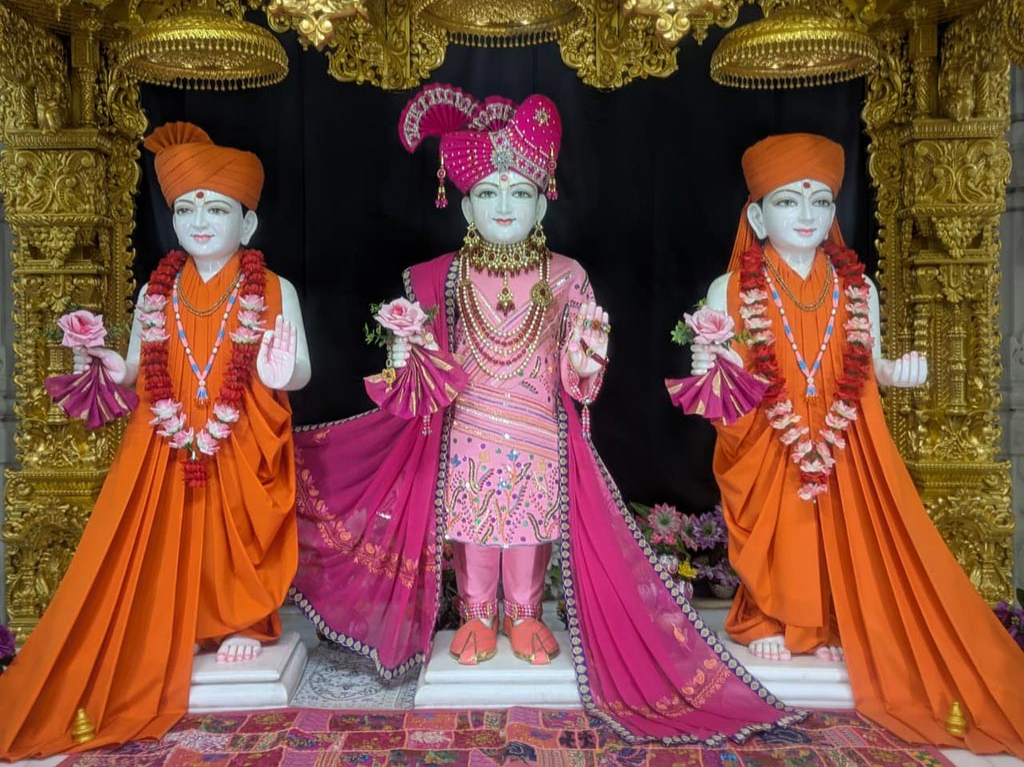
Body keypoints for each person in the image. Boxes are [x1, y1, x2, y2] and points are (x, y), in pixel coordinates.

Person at [291, 84, 803, 744]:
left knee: (530, 523)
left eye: (520, 192)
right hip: (465, 426)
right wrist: (402, 349)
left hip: (539, 429)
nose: (505, 205)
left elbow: (582, 380)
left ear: (542, 201)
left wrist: (589, 354)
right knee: (473, 521)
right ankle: (477, 616)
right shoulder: (435, 278)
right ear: (465, 205)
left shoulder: (566, 275)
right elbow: (408, 377)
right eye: (489, 194)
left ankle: (527, 614)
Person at [690, 132, 1024, 756]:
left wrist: (897, 372)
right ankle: (767, 615)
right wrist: (709, 358)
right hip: (769, 431)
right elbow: (713, 369)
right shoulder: (728, 291)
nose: (808, 215)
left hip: (843, 433)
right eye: (789, 202)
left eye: (820, 200)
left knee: (837, 524)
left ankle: (831, 618)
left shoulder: (857, 288)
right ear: (757, 215)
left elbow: (869, 362)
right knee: (775, 518)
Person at [0, 122, 311, 760]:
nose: (200, 221)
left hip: (241, 427)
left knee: (236, 529)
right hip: (166, 433)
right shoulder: (155, 289)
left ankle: (240, 619)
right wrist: (110, 364)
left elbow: (297, 366)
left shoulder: (276, 290)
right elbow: (142, 366)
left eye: (218, 208)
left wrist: (285, 374)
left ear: (248, 226)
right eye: (186, 209)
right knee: (173, 529)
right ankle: (187, 621)